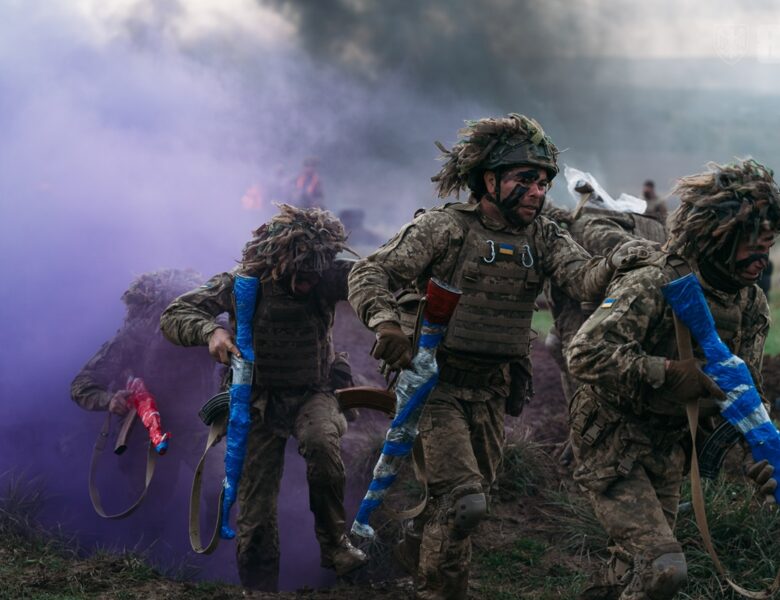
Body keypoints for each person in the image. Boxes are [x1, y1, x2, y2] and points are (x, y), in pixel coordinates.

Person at [348, 113, 641, 600]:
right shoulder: (446, 229)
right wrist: (386, 322)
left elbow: (582, 278)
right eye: (525, 179)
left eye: (544, 182)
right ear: (489, 180)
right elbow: (368, 274)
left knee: (464, 505)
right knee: (465, 503)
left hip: (492, 388)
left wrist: (618, 261)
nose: (537, 191)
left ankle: (417, 552)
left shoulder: (544, 235)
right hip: (433, 385)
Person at [566, 158, 780, 599]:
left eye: (770, 243)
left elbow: (743, 391)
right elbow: (584, 353)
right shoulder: (655, 282)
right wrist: (666, 372)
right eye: (753, 242)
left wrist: (760, 455)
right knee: (665, 569)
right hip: (612, 440)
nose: (764, 255)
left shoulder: (751, 304)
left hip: (669, 447)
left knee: (634, 565)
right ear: (716, 233)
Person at [159, 204, 365, 592]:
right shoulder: (242, 284)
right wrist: (210, 332)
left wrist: (388, 319)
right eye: (300, 276)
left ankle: (335, 544)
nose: (308, 282)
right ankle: (258, 586)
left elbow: (371, 282)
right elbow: (175, 313)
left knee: (322, 445)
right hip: (257, 403)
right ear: (278, 264)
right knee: (254, 513)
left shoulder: (326, 276)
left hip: (313, 392)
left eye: (314, 275)